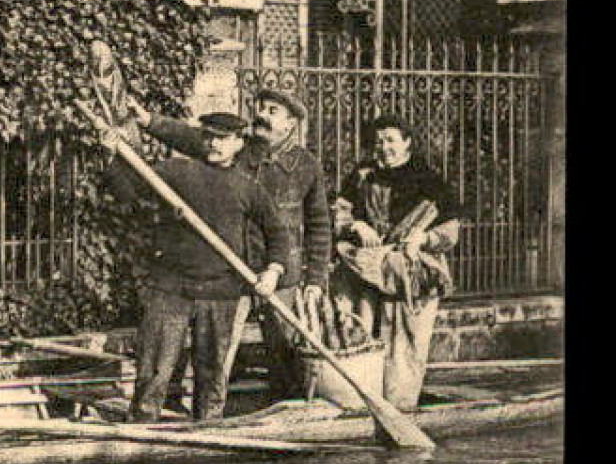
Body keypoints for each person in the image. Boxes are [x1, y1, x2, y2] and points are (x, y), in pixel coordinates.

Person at [129, 88, 331, 398]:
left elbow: (319, 225)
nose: (261, 114)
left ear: (290, 124)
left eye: (273, 111)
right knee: (219, 353)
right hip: (233, 270)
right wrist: (149, 121)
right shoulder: (238, 150)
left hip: (278, 275)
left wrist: (315, 278)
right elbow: (191, 136)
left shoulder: (307, 166)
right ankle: (207, 416)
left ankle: (286, 416)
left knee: (285, 353)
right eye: (261, 107)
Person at [104, 112, 294, 423]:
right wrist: (112, 157)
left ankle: (210, 434)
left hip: (220, 293)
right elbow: (129, 193)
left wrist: (273, 271)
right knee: (154, 371)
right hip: (170, 289)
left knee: (212, 374)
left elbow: (277, 233)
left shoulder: (248, 188)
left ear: (237, 143)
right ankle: (141, 430)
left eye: (222, 138)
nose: (213, 143)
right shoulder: (176, 171)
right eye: (208, 136)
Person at [334, 114, 463, 411]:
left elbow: (450, 229)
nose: (384, 147)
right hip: (367, 271)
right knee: (363, 336)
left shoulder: (428, 180)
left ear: (407, 143)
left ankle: (401, 408)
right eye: (379, 141)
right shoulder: (363, 176)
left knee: (405, 344)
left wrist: (423, 239)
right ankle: (363, 407)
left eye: (391, 140)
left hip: (411, 275)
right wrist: (355, 226)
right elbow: (340, 211)